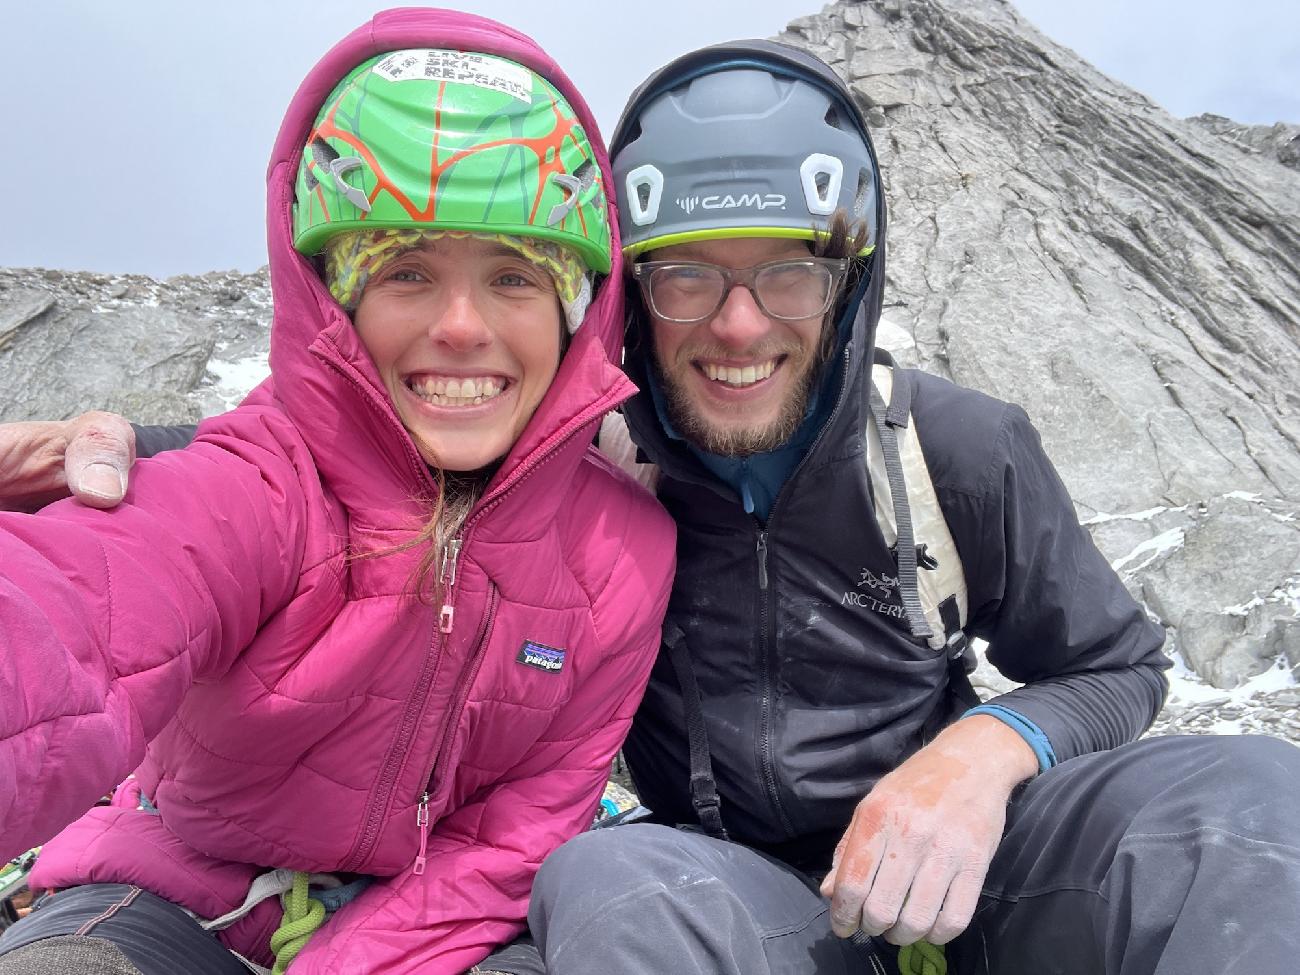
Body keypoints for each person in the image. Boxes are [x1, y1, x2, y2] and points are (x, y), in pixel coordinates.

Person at [8, 35, 1300, 975]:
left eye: (788, 277)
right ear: (628, 292)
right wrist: (129, 445)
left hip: (982, 857)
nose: (739, 327)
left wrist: (981, 754)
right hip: (723, 890)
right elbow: (337, 471)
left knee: (1247, 802)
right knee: (613, 875)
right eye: (685, 279)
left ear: (850, 284)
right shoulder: (594, 463)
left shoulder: (950, 445)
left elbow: (1119, 665)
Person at [0, 9, 674, 975]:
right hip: (171, 892)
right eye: (405, 269)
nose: (459, 325)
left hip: (437, 927)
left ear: (577, 313)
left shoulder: (625, 554)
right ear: (335, 296)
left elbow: (512, 843)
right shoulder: (262, 479)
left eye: (516, 278)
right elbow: (80, 620)